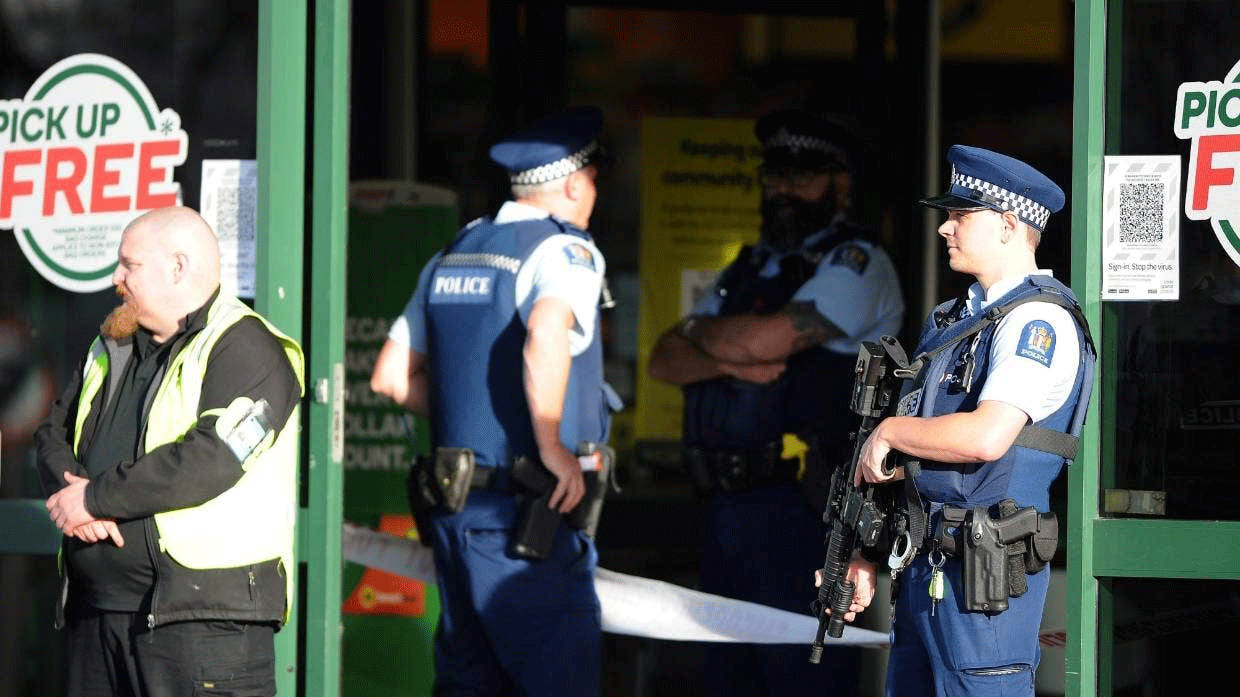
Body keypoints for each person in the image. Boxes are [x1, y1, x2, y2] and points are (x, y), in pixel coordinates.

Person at [646, 108, 904, 697]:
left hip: (804, 505)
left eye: (802, 177)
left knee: (796, 677)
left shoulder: (856, 263)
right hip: (725, 504)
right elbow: (664, 360)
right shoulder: (752, 264)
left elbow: (765, 341)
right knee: (725, 677)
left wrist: (713, 338)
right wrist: (730, 351)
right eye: (775, 177)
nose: (783, 190)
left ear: (839, 185)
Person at [369, 105, 618, 696]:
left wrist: (480, 410)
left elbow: (390, 378)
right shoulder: (565, 251)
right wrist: (550, 442)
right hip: (525, 516)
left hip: (458, 515)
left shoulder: (456, 250)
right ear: (575, 184)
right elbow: (547, 334)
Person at [842, 145, 1095, 697]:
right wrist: (863, 553)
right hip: (926, 571)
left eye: (961, 215)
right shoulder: (956, 320)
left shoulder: (1038, 322)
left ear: (1008, 225)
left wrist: (889, 431)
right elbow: (910, 459)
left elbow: (986, 436)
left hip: (985, 581)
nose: (945, 229)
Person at [37, 206, 304, 697]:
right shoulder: (111, 343)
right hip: (98, 615)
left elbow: (210, 459)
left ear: (178, 267)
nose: (116, 278)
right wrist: (73, 496)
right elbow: (52, 430)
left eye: (129, 265)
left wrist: (95, 499)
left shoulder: (248, 348)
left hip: (205, 626)